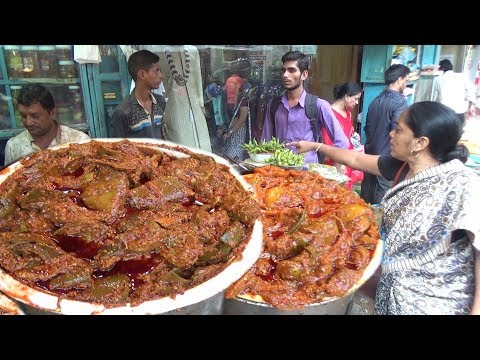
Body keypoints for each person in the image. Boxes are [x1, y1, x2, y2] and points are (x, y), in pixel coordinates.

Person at [288, 101, 480, 315]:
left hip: (437, 302)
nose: (390, 134)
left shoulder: (463, 185)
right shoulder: (403, 166)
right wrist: (315, 146)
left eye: (398, 130)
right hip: (394, 296)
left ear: (421, 143)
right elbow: (355, 158)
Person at [261, 51, 349, 164]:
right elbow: (265, 142)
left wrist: (336, 165)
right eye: (284, 70)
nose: (285, 75)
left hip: (308, 174)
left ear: (304, 75)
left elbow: (342, 142)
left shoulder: (318, 105)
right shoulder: (274, 105)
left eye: (291, 70)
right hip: (279, 173)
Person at [3, 84, 91, 167]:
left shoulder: (79, 141)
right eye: (23, 116)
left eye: (35, 116)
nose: (28, 122)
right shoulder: (13, 147)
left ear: (52, 113)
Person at [362, 64, 410, 204]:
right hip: (385, 156)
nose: (405, 84)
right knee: (382, 193)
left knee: (368, 189)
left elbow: (368, 128)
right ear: (400, 80)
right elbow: (398, 131)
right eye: (405, 80)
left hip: (370, 152)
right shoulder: (400, 102)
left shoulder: (375, 101)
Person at [157, 45, 212, 152]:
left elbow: (197, 79)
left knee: (204, 147)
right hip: (174, 110)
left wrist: (200, 103)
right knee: (181, 148)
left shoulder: (193, 51)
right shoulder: (158, 52)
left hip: (196, 109)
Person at [110, 49, 166, 139]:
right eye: (157, 71)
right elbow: (116, 149)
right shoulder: (123, 112)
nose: (161, 76)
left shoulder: (161, 102)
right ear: (142, 74)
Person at [322, 82, 364, 190]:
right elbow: (328, 141)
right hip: (335, 160)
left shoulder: (348, 112)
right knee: (334, 190)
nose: (357, 102)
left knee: (345, 190)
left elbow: (347, 133)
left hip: (346, 157)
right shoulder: (330, 113)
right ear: (346, 96)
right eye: (355, 98)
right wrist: (340, 163)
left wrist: (353, 137)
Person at [220, 60, 252, 161]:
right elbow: (241, 118)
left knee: (231, 156)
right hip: (235, 127)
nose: (230, 87)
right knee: (231, 157)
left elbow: (241, 117)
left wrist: (229, 131)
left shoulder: (240, 99)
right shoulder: (241, 98)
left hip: (234, 127)